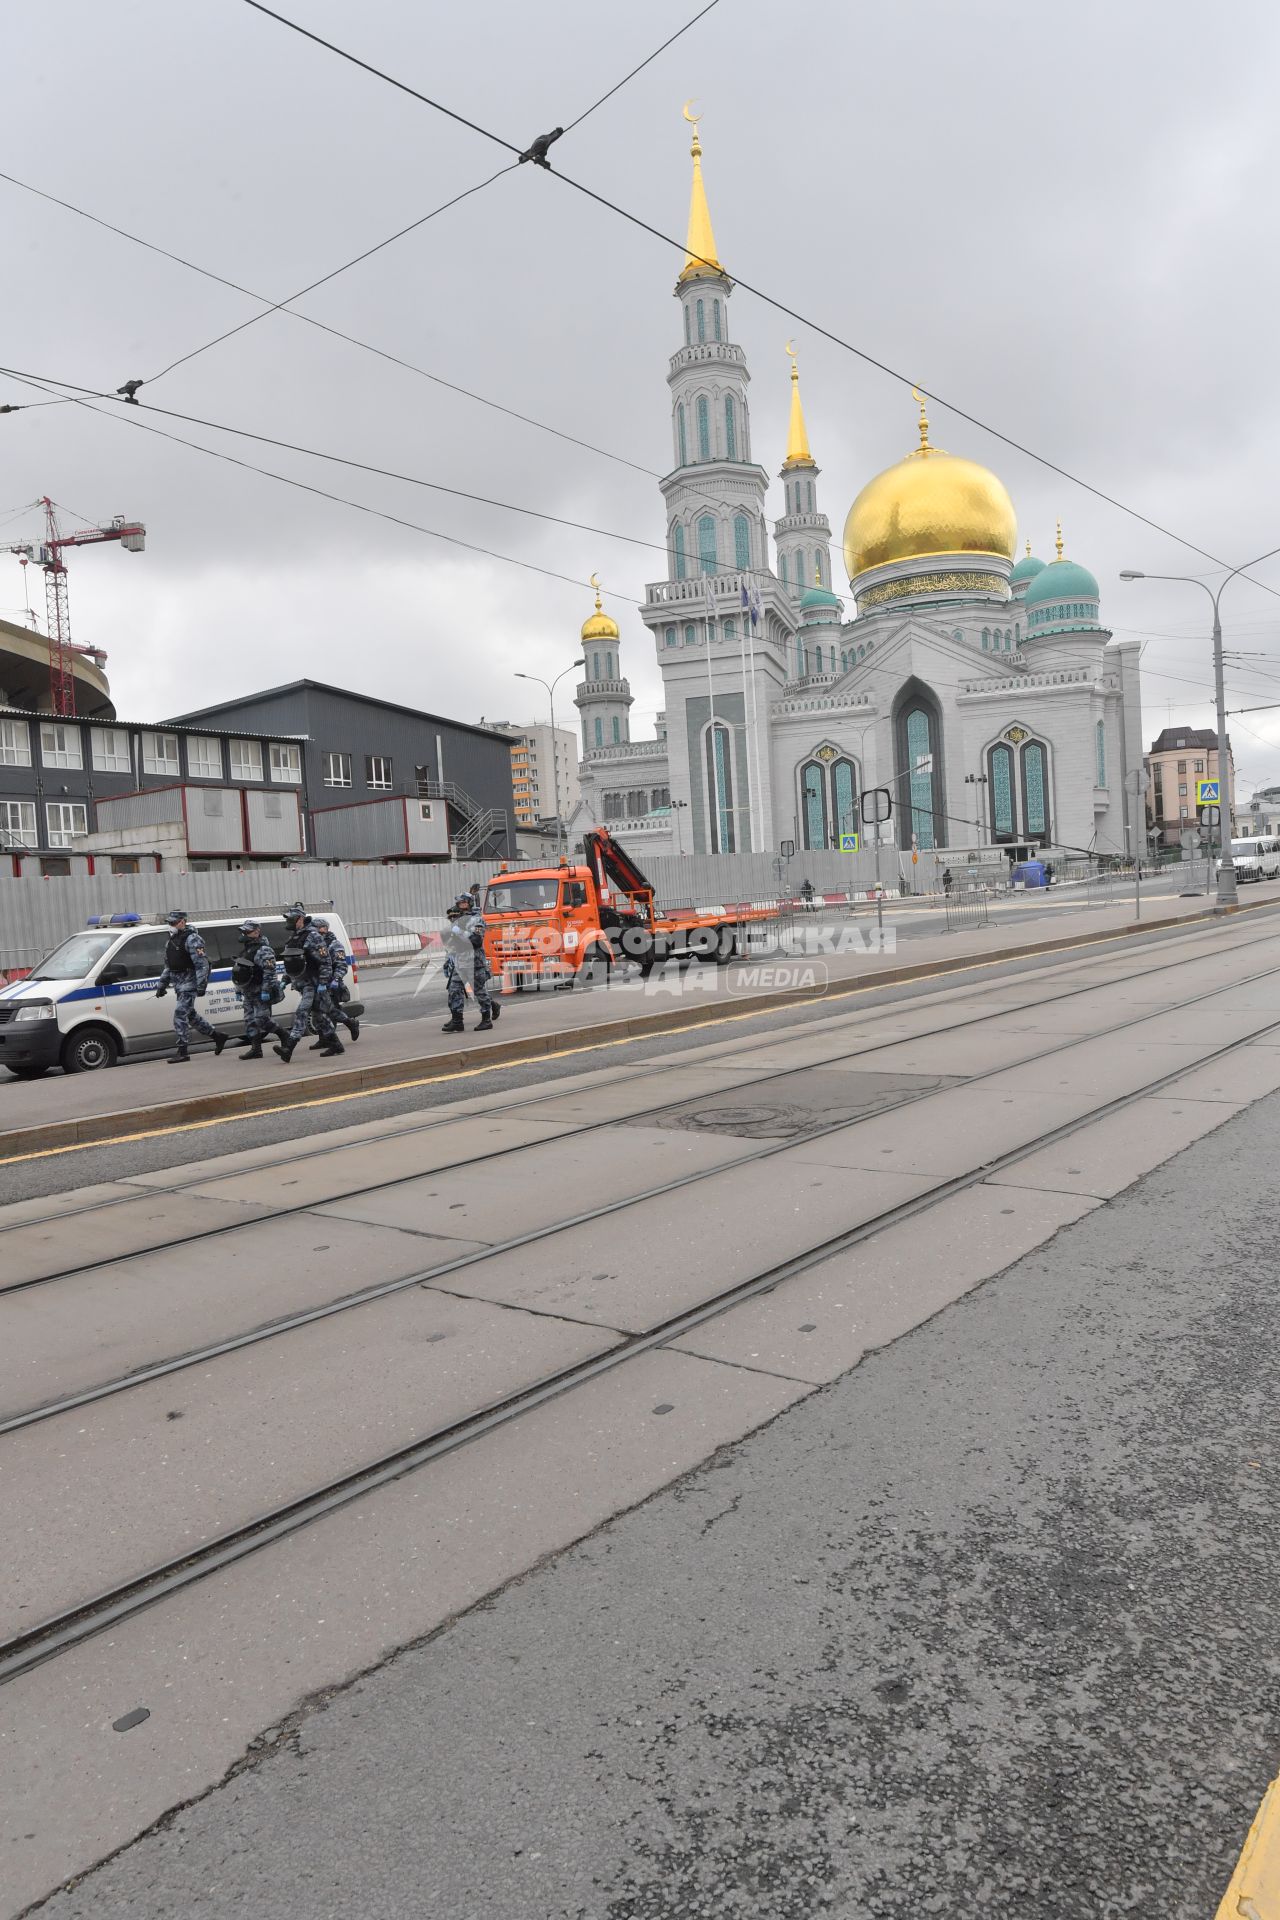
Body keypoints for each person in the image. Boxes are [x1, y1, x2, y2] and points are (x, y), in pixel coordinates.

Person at [155, 910, 227, 1065]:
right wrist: (162, 985)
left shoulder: (193, 939)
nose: (171, 926)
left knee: (180, 1014)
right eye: (169, 923)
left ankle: (183, 1051)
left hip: (190, 983)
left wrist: (201, 986)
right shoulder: (171, 941)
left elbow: (202, 965)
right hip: (178, 984)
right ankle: (217, 1036)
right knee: (190, 1015)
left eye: (173, 923)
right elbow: (169, 966)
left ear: (183, 922)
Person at [275, 902, 341, 1063]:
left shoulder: (313, 935)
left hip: (314, 982)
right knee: (319, 1016)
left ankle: (288, 1048)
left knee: (301, 1012)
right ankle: (337, 1045)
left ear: (300, 919)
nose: (288, 921)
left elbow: (325, 961)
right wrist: (284, 980)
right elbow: (291, 962)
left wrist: (324, 982)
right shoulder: (293, 938)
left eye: (291, 918)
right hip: (302, 983)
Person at [441, 893, 500, 1034]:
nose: (461, 906)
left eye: (463, 903)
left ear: (469, 903)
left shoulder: (477, 920)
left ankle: (486, 1020)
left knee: (479, 991)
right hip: (460, 961)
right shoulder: (458, 919)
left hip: (474, 961)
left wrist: (459, 932)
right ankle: (457, 1022)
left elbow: (476, 941)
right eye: (459, 903)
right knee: (454, 989)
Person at [230, 919, 288, 1059]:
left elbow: (270, 972)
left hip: (260, 990)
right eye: (243, 931)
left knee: (262, 1019)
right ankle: (256, 1049)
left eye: (247, 931)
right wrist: (238, 990)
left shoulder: (264, 950)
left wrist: (266, 991)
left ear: (256, 932)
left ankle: (285, 1036)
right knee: (250, 1020)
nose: (243, 933)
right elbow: (239, 971)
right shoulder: (246, 950)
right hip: (248, 991)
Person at [310, 915, 360, 1047]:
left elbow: (341, 965)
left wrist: (336, 979)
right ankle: (323, 1039)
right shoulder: (315, 944)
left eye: (316, 928)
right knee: (316, 1012)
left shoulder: (334, 944)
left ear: (324, 929)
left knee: (330, 1011)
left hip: (331, 983)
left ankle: (350, 1024)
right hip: (317, 982)